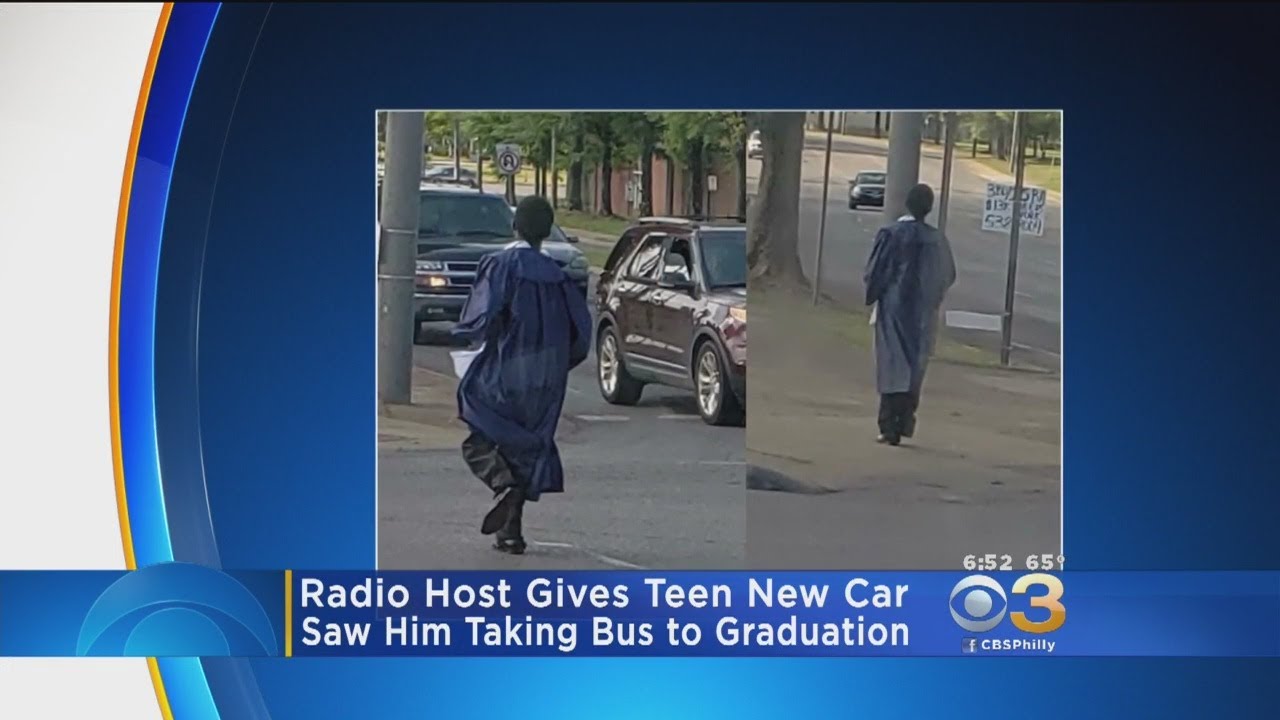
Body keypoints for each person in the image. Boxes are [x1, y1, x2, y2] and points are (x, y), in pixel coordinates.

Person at [452, 196, 593, 554]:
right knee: (522, 448)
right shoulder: (560, 277)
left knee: (477, 429)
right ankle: (510, 535)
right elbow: (580, 334)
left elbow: (481, 318)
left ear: (515, 226)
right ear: (547, 231)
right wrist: (556, 369)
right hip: (544, 381)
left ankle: (502, 485)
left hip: (505, 370)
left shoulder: (500, 265)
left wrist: (470, 344)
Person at [863, 183, 956, 446]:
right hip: (923, 312)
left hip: (894, 307)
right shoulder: (937, 239)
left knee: (892, 365)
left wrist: (874, 294)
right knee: (915, 367)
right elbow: (948, 274)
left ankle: (888, 426)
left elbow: (875, 272)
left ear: (907, 203)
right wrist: (933, 298)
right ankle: (905, 422)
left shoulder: (891, 234)